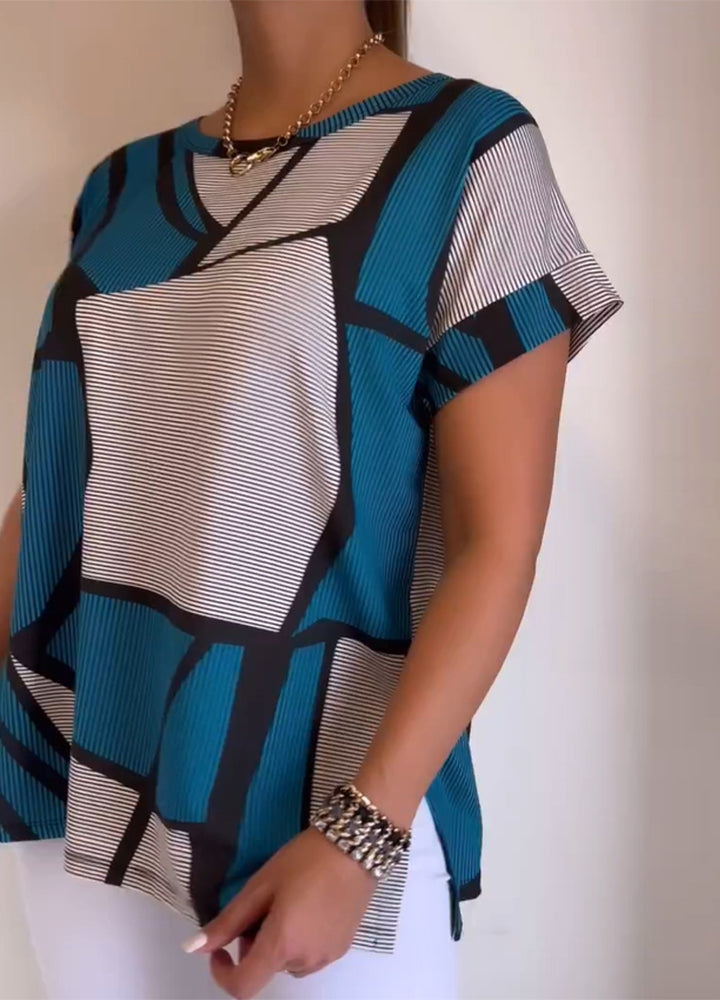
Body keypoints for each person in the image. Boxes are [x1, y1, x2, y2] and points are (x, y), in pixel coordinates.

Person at [0, 1, 623, 997]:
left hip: (320, 812)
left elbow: (496, 547)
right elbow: (54, 497)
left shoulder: (465, 151)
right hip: (77, 786)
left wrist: (358, 834)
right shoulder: (119, 188)